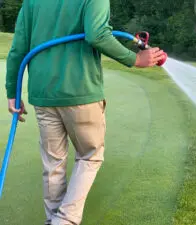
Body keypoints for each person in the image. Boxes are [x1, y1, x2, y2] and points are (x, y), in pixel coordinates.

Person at [5, 0, 165, 224]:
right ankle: (65, 220)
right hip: (81, 92)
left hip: (43, 95)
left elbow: (18, 48)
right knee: (90, 155)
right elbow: (97, 34)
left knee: (53, 165)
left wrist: (12, 91)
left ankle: (53, 220)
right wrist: (135, 59)